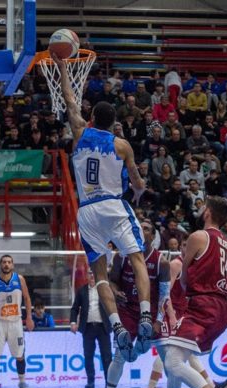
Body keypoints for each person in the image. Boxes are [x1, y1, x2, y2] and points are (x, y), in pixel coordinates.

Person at [53, 53, 152, 362]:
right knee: (136, 257)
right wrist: (137, 192)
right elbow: (137, 182)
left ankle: (117, 326)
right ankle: (146, 317)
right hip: (113, 205)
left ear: (92, 117)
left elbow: (70, 99)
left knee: (99, 274)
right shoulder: (122, 145)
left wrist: (62, 67)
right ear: (115, 123)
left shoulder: (80, 133)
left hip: (86, 211)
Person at [159, 196, 227, 388]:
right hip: (222, 310)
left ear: (207, 213)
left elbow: (184, 273)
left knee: (172, 362)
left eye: (203, 206)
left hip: (202, 305)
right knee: (178, 355)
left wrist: (185, 289)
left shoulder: (198, 237)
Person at [143, 241, 227, 388]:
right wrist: (170, 316)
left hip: (182, 313)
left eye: (187, 244)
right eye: (183, 245)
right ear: (181, 248)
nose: (186, 247)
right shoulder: (176, 264)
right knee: (170, 356)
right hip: (169, 313)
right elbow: (164, 293)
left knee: (178, 356)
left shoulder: (193, 267)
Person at [106, 219, 172, 388]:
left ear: (153, 235)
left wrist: (158, 321)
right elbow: (111, 281)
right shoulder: (121, 256)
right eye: (139, 227)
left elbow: (165, 295)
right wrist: (115, 290)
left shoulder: (162, 262)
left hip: (150, 314)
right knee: (119, 356)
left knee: (168, 356)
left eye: (146, 229)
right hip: (127, 310)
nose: (142, 231)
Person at [0, 254, 34, 388]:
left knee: (20, 355)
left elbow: (27, 298)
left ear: (12, 265)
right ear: (0, 264)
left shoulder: (20, 279)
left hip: (16, 322)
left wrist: (29, 317)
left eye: (9, 262)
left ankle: (22, 382)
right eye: (4, 262)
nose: (6, 264)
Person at [70, 269, 112, 388]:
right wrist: (73, 322)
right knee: (88, 355)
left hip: (103, 327)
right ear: (87, 276)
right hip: (87, 327)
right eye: (90, 273)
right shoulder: (82, 291)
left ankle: (109, 383)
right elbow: (74, 308)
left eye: (94, 273)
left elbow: (114, 305)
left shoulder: (105, 289)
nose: (92, 275)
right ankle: (90, 382)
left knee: (107, 356)